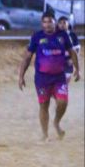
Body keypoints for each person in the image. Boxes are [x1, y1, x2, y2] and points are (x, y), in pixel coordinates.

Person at [19, 12, 80, 142]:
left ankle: (56, 122)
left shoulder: (62, 35)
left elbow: (72, 52)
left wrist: (77, 69)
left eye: (50, 21)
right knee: (44, 105)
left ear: (55, 22)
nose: (47, 24)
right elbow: (28, 57)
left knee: (63, 102)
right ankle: (45, 135)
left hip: (59, 77)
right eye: (44, 22)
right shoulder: (37, 36)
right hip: (42, 79)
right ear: (42, 23)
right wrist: (21, 76)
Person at [57, 16, 81, 84]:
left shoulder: (72, 35)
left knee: (64, 84)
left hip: (68, 63)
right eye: (60, 23)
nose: (62, 25)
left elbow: (77, 49)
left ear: (68, 24)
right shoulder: (55, 35)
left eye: (64, 23)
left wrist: (72, 60)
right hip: (57, 63)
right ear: (57, 24)